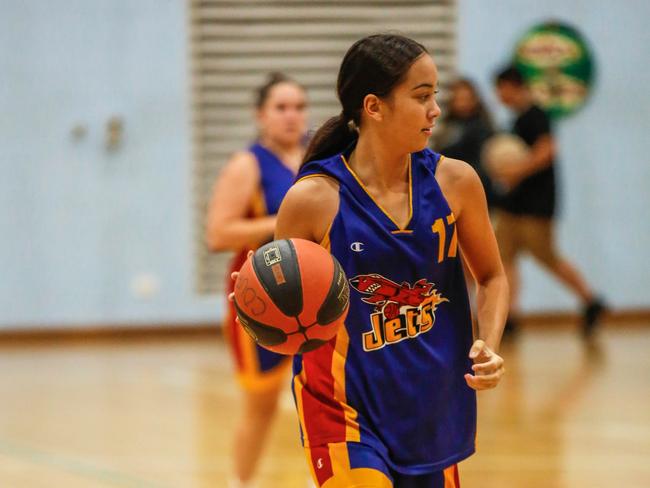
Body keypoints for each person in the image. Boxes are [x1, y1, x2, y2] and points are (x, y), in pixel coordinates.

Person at [273, 34, 509, 488]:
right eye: (421, 97)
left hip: (430, 404)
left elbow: (493, 275)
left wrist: (490, 344)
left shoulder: (456, 182)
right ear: (374, 107)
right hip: (342, 405)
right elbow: (285, 307)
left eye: (435, 95)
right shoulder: (313, 199)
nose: (435, 110)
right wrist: (259, 304)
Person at [205, 72, 308, 488]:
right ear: (260, 115)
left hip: (316, 294)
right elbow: (218, 233)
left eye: (300, 106)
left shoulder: (321, 159)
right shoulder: (246, 164)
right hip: (260, 298)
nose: (292, 116)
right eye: (281, 107)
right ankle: (240, 483)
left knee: (330, 396)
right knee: (261, 404)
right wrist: (285, 222)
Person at [492, 66, 604, 338]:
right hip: (513, 205)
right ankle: (510, 317)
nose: (498, 95)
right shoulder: (517, 120)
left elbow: (546, 151)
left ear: (513, 86)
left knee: (547, 257)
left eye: (501, 89)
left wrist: (515, 173)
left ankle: (590, 301)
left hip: (536, 206)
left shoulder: (536, 115)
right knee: (503, 258)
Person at [434, 78, 497, 208]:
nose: (462, 104)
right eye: (458, 99)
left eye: (466, 99)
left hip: (476, 188)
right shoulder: (448, 125)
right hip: (448, 189)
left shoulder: (481, 127)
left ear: (475, 99)